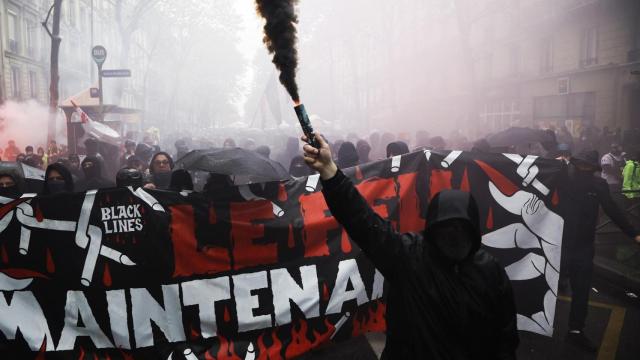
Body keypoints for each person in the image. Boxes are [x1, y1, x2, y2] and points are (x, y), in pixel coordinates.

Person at [301, 133, 519, 359]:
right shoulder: (410, 257)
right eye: (448, 229)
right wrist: (330, 173)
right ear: (434, 228)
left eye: (460, 230)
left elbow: (504, 336)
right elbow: (363, 221)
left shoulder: (488, 271)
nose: (453, 237)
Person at [560, 150, 640, 352]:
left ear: (593, 167)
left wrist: (634, 233)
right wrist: (551, 164)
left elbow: (613, 210)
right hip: (558, 244)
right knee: (548, 284)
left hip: (584, 247)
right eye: (580, 165)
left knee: (581, 290)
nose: (583, 169)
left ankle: (575, 331)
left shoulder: (598, 185)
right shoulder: (562, 179)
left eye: (587, 166)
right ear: (576, 164)